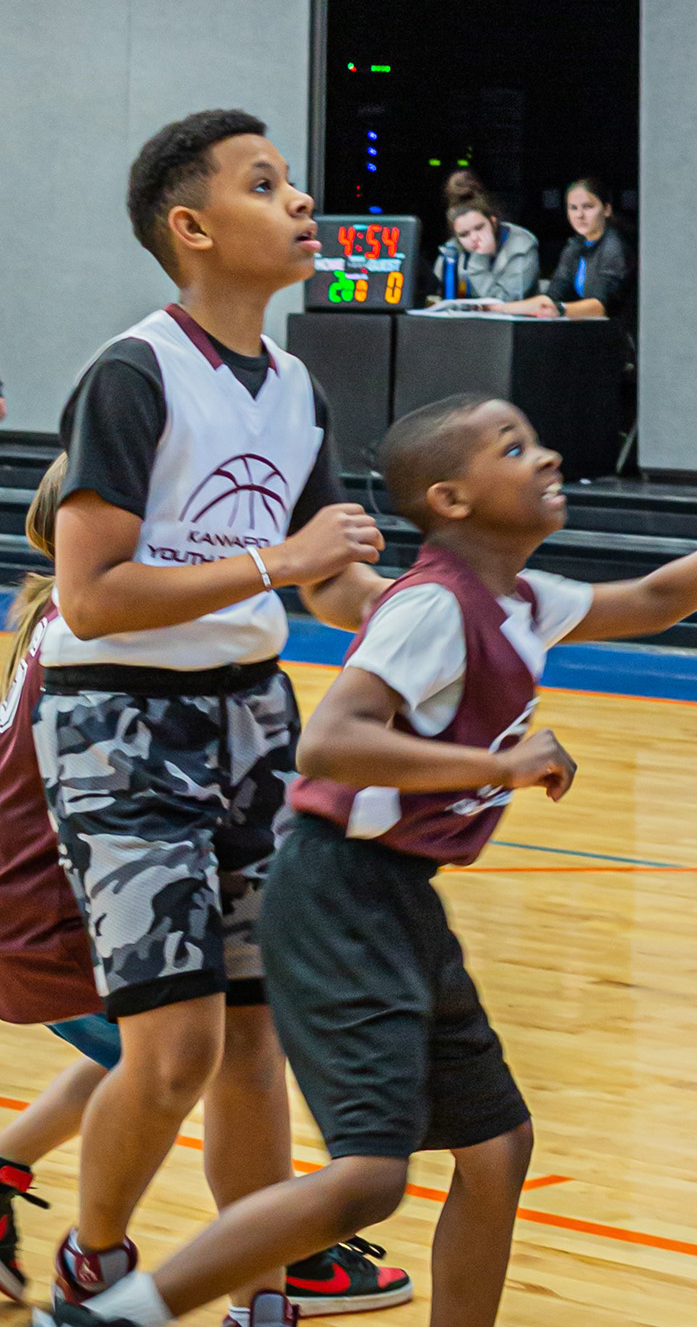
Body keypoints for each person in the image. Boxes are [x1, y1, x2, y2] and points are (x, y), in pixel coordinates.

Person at [44, 396, 697, 1327]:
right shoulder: (430, 608)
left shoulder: (521, 598)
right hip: (336, 893)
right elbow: (330, 742)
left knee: (497, 1147)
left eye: (537, 439)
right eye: (516, 445)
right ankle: (116, 1313)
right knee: (369, 1179)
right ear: (452, 498)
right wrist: (497, 765)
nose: (545, 457)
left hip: (397, 892)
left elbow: (658, 597)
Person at [32, 109, 391, 1312]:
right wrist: (279, 566)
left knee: (254, 1032)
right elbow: (90, 592)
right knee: (174, 1045)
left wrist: (421, 618)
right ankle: (98, 1264)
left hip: (253, 715)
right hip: (117, 725)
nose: (302, 203)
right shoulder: (133, 373)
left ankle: (261, 1286)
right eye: (265, 183)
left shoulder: (295, 386)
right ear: (192, 228)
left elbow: (329, 573)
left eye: (293, 180)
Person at [0, 461, 409, 1318]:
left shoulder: (89, 612)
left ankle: (253, 1254)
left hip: (43, 891)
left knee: (184, 1052)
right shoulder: (114, 622)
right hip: (42, 903)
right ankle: (266, 1245)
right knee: (186, 1053)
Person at [514, 177, 631, 323]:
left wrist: (561, 309)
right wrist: (498, 308)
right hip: (584, 329)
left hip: (618, 332)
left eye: (588, 207)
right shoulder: (575, 245)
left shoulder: (614, 246)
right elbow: (552, 296)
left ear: (606, 209)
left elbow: (601, 305)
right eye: (573, 208)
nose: (580, 215)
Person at [440, 174, 539, 306]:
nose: (474, 238)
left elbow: (507, 301)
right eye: (464, 234)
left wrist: (478, 263)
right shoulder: (451, 250)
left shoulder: (521, 245)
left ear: (493, 223)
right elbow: (437, 295)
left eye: (479, 228)